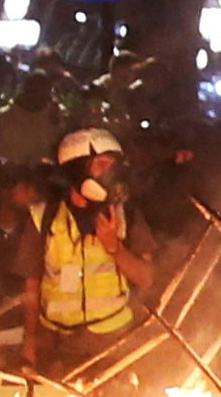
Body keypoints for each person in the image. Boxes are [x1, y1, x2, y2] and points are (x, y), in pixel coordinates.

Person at [24, 125, 154, 381]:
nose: (110, 174)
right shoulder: (43, 217)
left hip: (112, 343)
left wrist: (114, 246)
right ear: (76, 170)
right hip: (57, 345)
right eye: (101, 165)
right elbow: (31, 287)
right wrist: (29, 345)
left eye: (113, 166)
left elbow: (147, 278)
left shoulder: (126, 215)